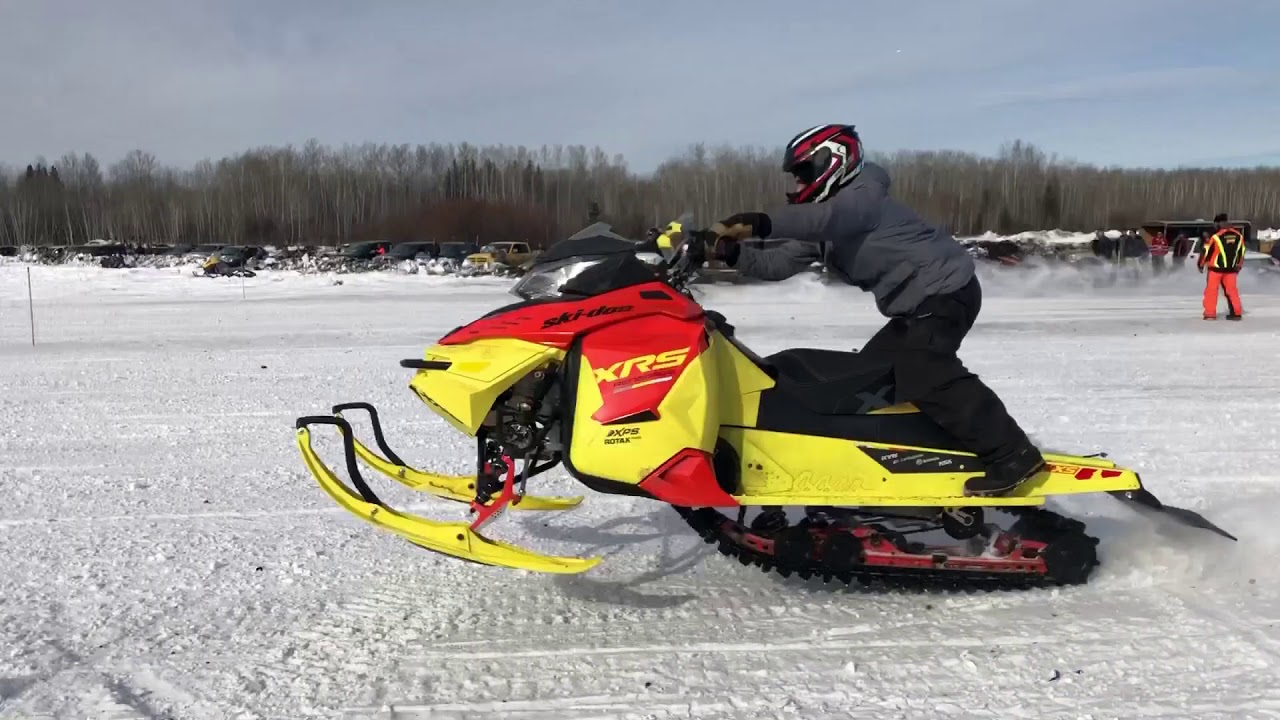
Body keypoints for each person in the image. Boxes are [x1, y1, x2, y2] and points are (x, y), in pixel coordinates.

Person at [683, 123, 1044, 497]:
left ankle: (1012, 454)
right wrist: (726, 251)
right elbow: (776, 264)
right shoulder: (828, 224)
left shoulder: (863, 197)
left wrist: (754, 223)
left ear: (833, 161)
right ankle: (924, 456)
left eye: (803, 171)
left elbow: (826, 218)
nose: (797, 182)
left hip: (946, 291)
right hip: (912, 309)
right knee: (866, 382)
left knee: (924, 368)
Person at [1198, 213, 1245, 320]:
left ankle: (1210, 314)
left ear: (1218, 223)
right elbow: (1241, 252)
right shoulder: (1238, 236)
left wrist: (1201, 264)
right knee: (1232, 291)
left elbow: (1206, 251)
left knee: (1211, 291)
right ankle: (1236, 313)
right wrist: (1239, 265)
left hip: (1215, 269)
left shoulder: (1216, 237)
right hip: (1231, 270)